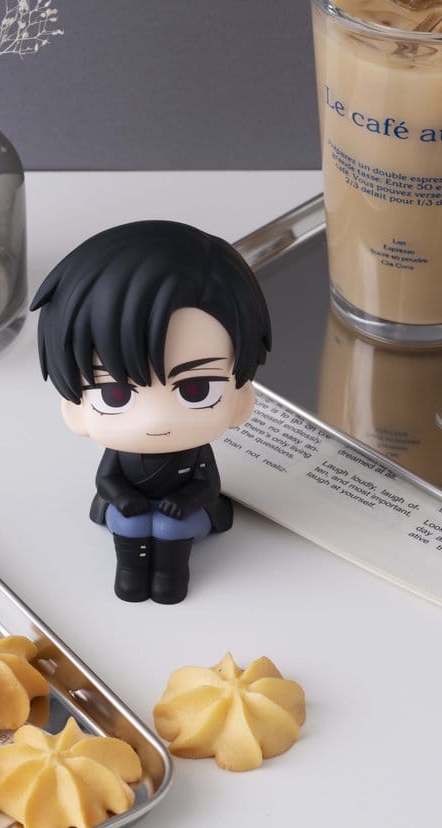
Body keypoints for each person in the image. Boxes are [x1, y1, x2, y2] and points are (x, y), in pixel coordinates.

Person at [30, 220, 272, 604]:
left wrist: (186, 501)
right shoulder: (121, 453)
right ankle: (130, 574)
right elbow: (106, 480)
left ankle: (170, 577)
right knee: (130, 522)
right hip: (131, 508)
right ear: (75, 409)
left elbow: (207, 485)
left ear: (241, 399)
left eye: (196, 389)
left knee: (170, 527)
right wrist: (123, 497)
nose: (157, 420)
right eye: (115, 394)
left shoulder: (195, 452)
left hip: (186, 515)